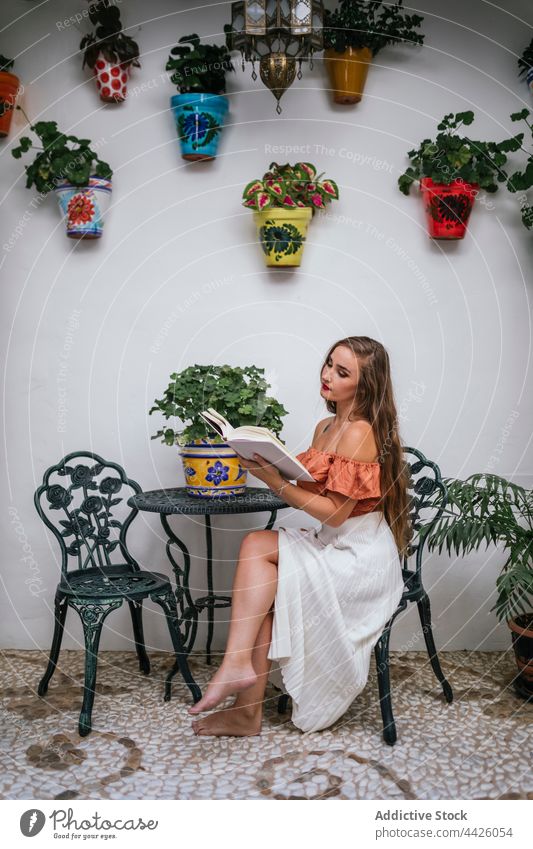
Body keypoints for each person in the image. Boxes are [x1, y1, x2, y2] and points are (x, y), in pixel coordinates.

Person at [189, 336, 411, 737]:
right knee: (260, 566)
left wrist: (274, 482)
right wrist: (262, 460)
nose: (327, 375)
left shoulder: (361, 432)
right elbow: (314, 490)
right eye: (329, 364)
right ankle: (243, 703)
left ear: (365, 385)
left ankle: (238, 679)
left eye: (342, 372)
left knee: (259, 553)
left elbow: (335, 511)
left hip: (360, 559)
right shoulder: (325, 426)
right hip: (331, 542)